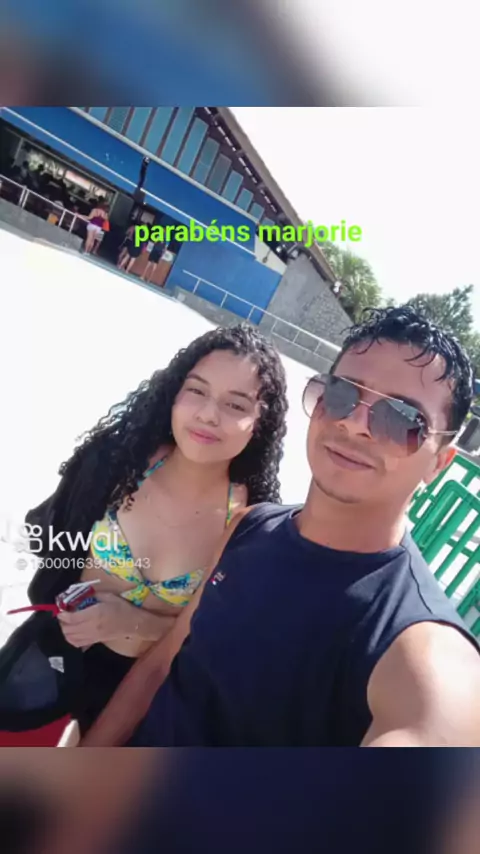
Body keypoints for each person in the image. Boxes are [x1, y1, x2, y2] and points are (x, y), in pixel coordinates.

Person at [82, 305, 480, 748]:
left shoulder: (413, 640)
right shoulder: (249, 526)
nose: (354, 424)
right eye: (343, 394)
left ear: (439, 462)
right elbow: (161, 666)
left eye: (402, 419)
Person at [22, 324, 288, 738]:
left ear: (261, 422)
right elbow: (51, 535)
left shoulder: (249, 527)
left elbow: (213, 641)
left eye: (235, 404)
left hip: (143, 701)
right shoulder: (117, 463)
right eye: (197, 390)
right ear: (175, 392)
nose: (208, 415)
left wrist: (131, 622)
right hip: (47, 664)